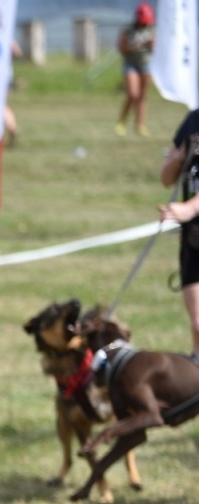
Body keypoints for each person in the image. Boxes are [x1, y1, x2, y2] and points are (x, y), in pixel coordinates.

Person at [159, 114, 199, 352]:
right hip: (194, 239)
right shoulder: (193, 120)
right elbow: (166, 178)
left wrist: (190, 208)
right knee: (197, 325)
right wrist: (182, 156)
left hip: (191, 216)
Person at [118, 3, 156, 137]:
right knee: (133, 94)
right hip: (131, 65)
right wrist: (133, 47)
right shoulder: (128, 30)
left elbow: (156, 50)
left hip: (146, 65)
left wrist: (152, 45)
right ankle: (122, 121)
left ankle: (140, 125)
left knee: (142, 95)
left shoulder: (152, 30)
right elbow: (121, 49)